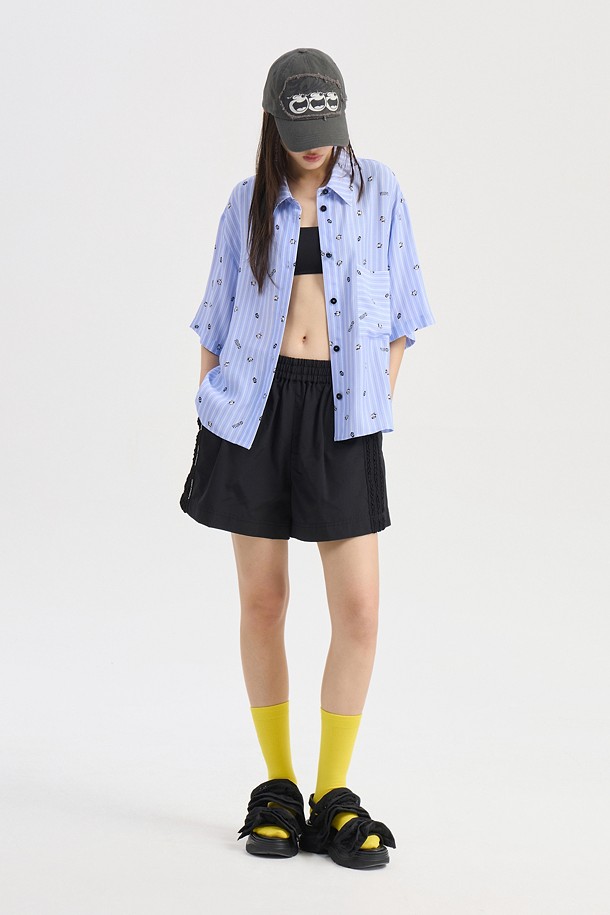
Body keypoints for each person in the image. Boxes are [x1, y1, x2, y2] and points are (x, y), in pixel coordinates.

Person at [179, 47, 436, 869]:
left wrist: (373, 400)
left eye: (326, 126)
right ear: (273, 124)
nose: (315, 144)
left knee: (358, 609)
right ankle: (279, 788)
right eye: (298, 130)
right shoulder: (247, 202)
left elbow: (404, 314)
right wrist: (214, 403)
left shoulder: (380, 190)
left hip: (342, 413)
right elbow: (214, 320)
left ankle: (333, 794)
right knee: (264, 602)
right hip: (252, 411)